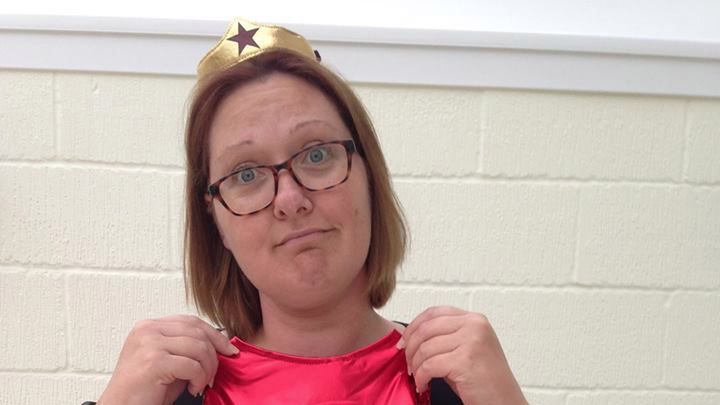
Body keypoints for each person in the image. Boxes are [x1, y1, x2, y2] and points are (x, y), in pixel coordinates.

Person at [91, 17, 528, 405]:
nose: (289, 199)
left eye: (316, 154)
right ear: (216, 221)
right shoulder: (176, 391)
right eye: (246, 174)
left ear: (369, 176)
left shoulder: (455, 385)